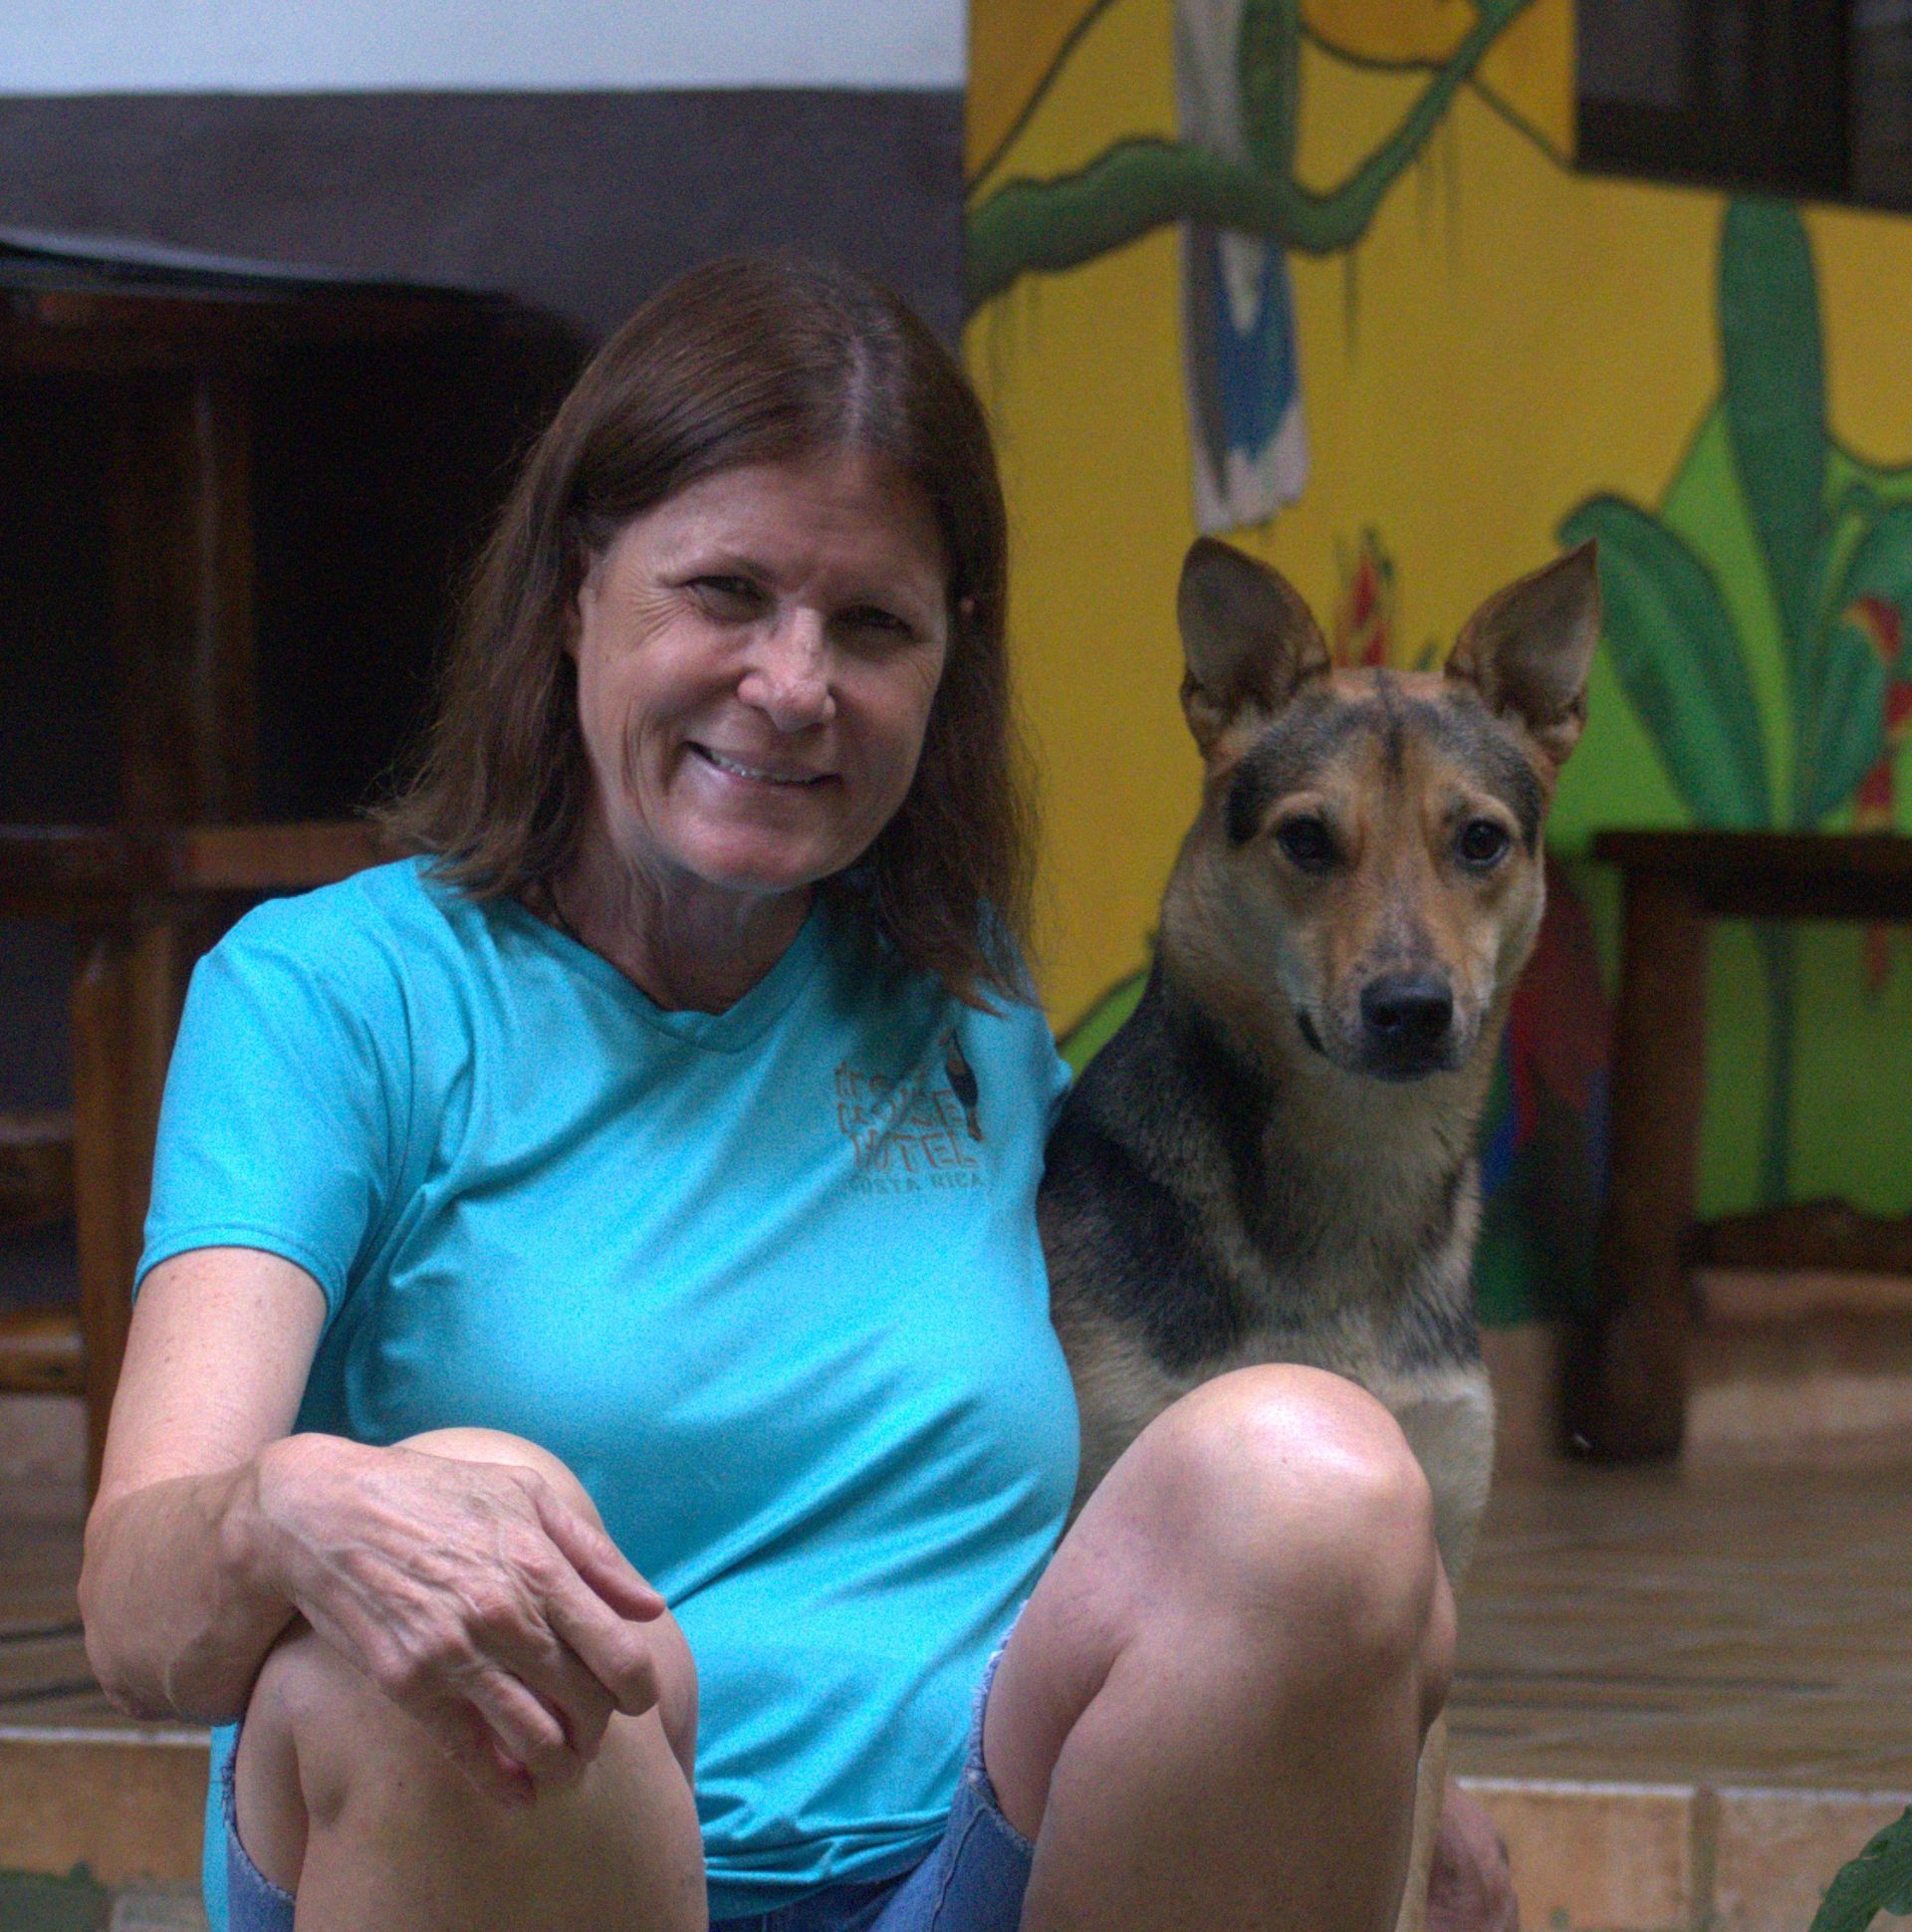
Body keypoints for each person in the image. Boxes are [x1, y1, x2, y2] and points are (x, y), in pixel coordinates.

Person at [78, 255, 1453, 1932]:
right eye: (725, 593)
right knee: (479, 1577)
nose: (794, 685)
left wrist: (1371, 1759)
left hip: (957, 1870)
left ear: (950, 661)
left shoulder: (960, 998)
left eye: (870, 625)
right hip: (514, 1846)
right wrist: (288, 1512)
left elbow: (1167, 1521)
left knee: (1310, 1483)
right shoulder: (332, 998)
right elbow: (136, 1608)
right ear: (576, 589)